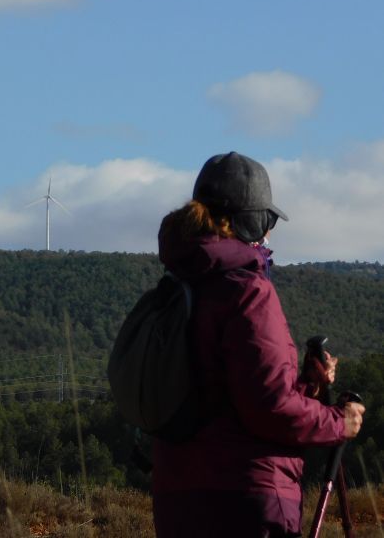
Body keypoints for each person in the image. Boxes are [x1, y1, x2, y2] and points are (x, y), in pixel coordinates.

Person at [151, 151, 365, 538]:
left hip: (176, 498)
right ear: (254, 222)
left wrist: (309, 387)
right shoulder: (247, 291)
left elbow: (227, 396)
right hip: (245, 498)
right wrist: (339, 422)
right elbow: (268, 409)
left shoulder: (175, 288)